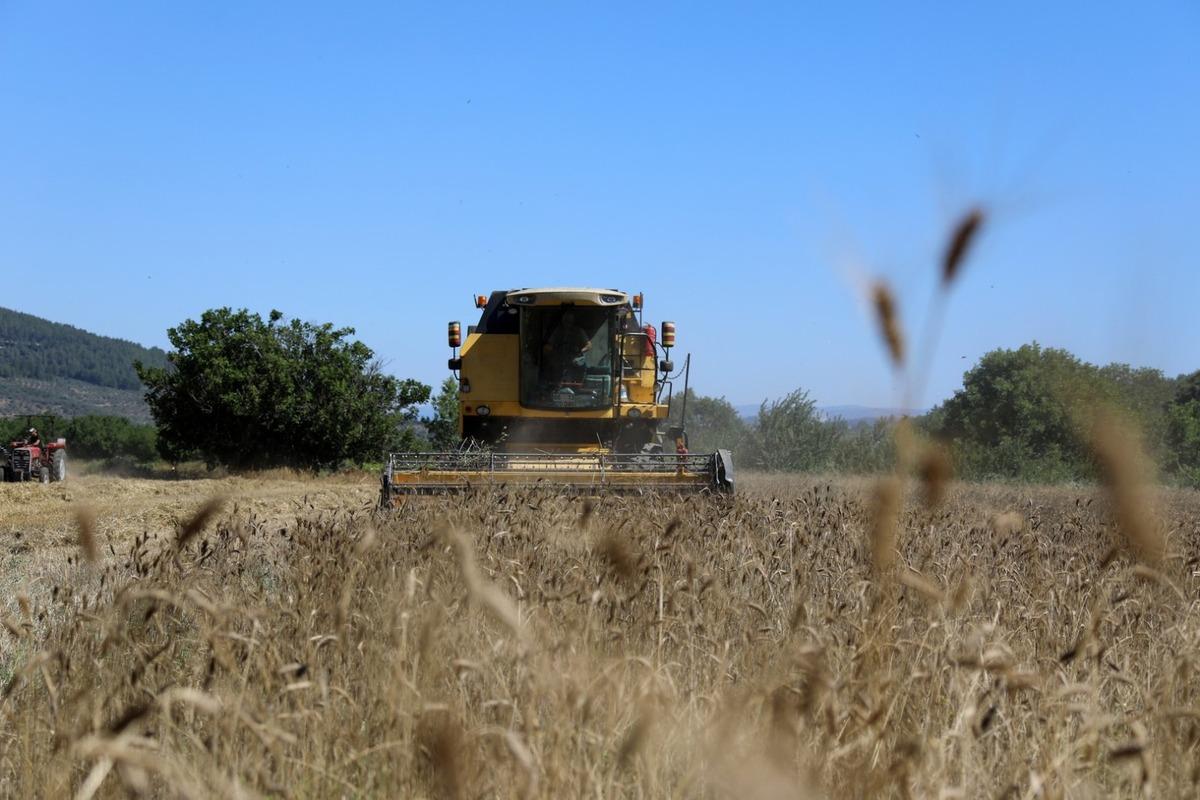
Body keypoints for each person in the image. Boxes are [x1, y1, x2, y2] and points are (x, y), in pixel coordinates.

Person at [543, 311, 591, 380]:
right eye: (565, 320)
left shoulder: (579, 331)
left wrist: (581, 351)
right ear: (563, 321)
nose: (567, 323)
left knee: (576, 381)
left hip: (576, 362)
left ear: (573, 321)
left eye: (569, 321)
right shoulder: (558, 331)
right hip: (561, 362)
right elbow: (550, 344)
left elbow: (589, 345)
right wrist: (547, 349)